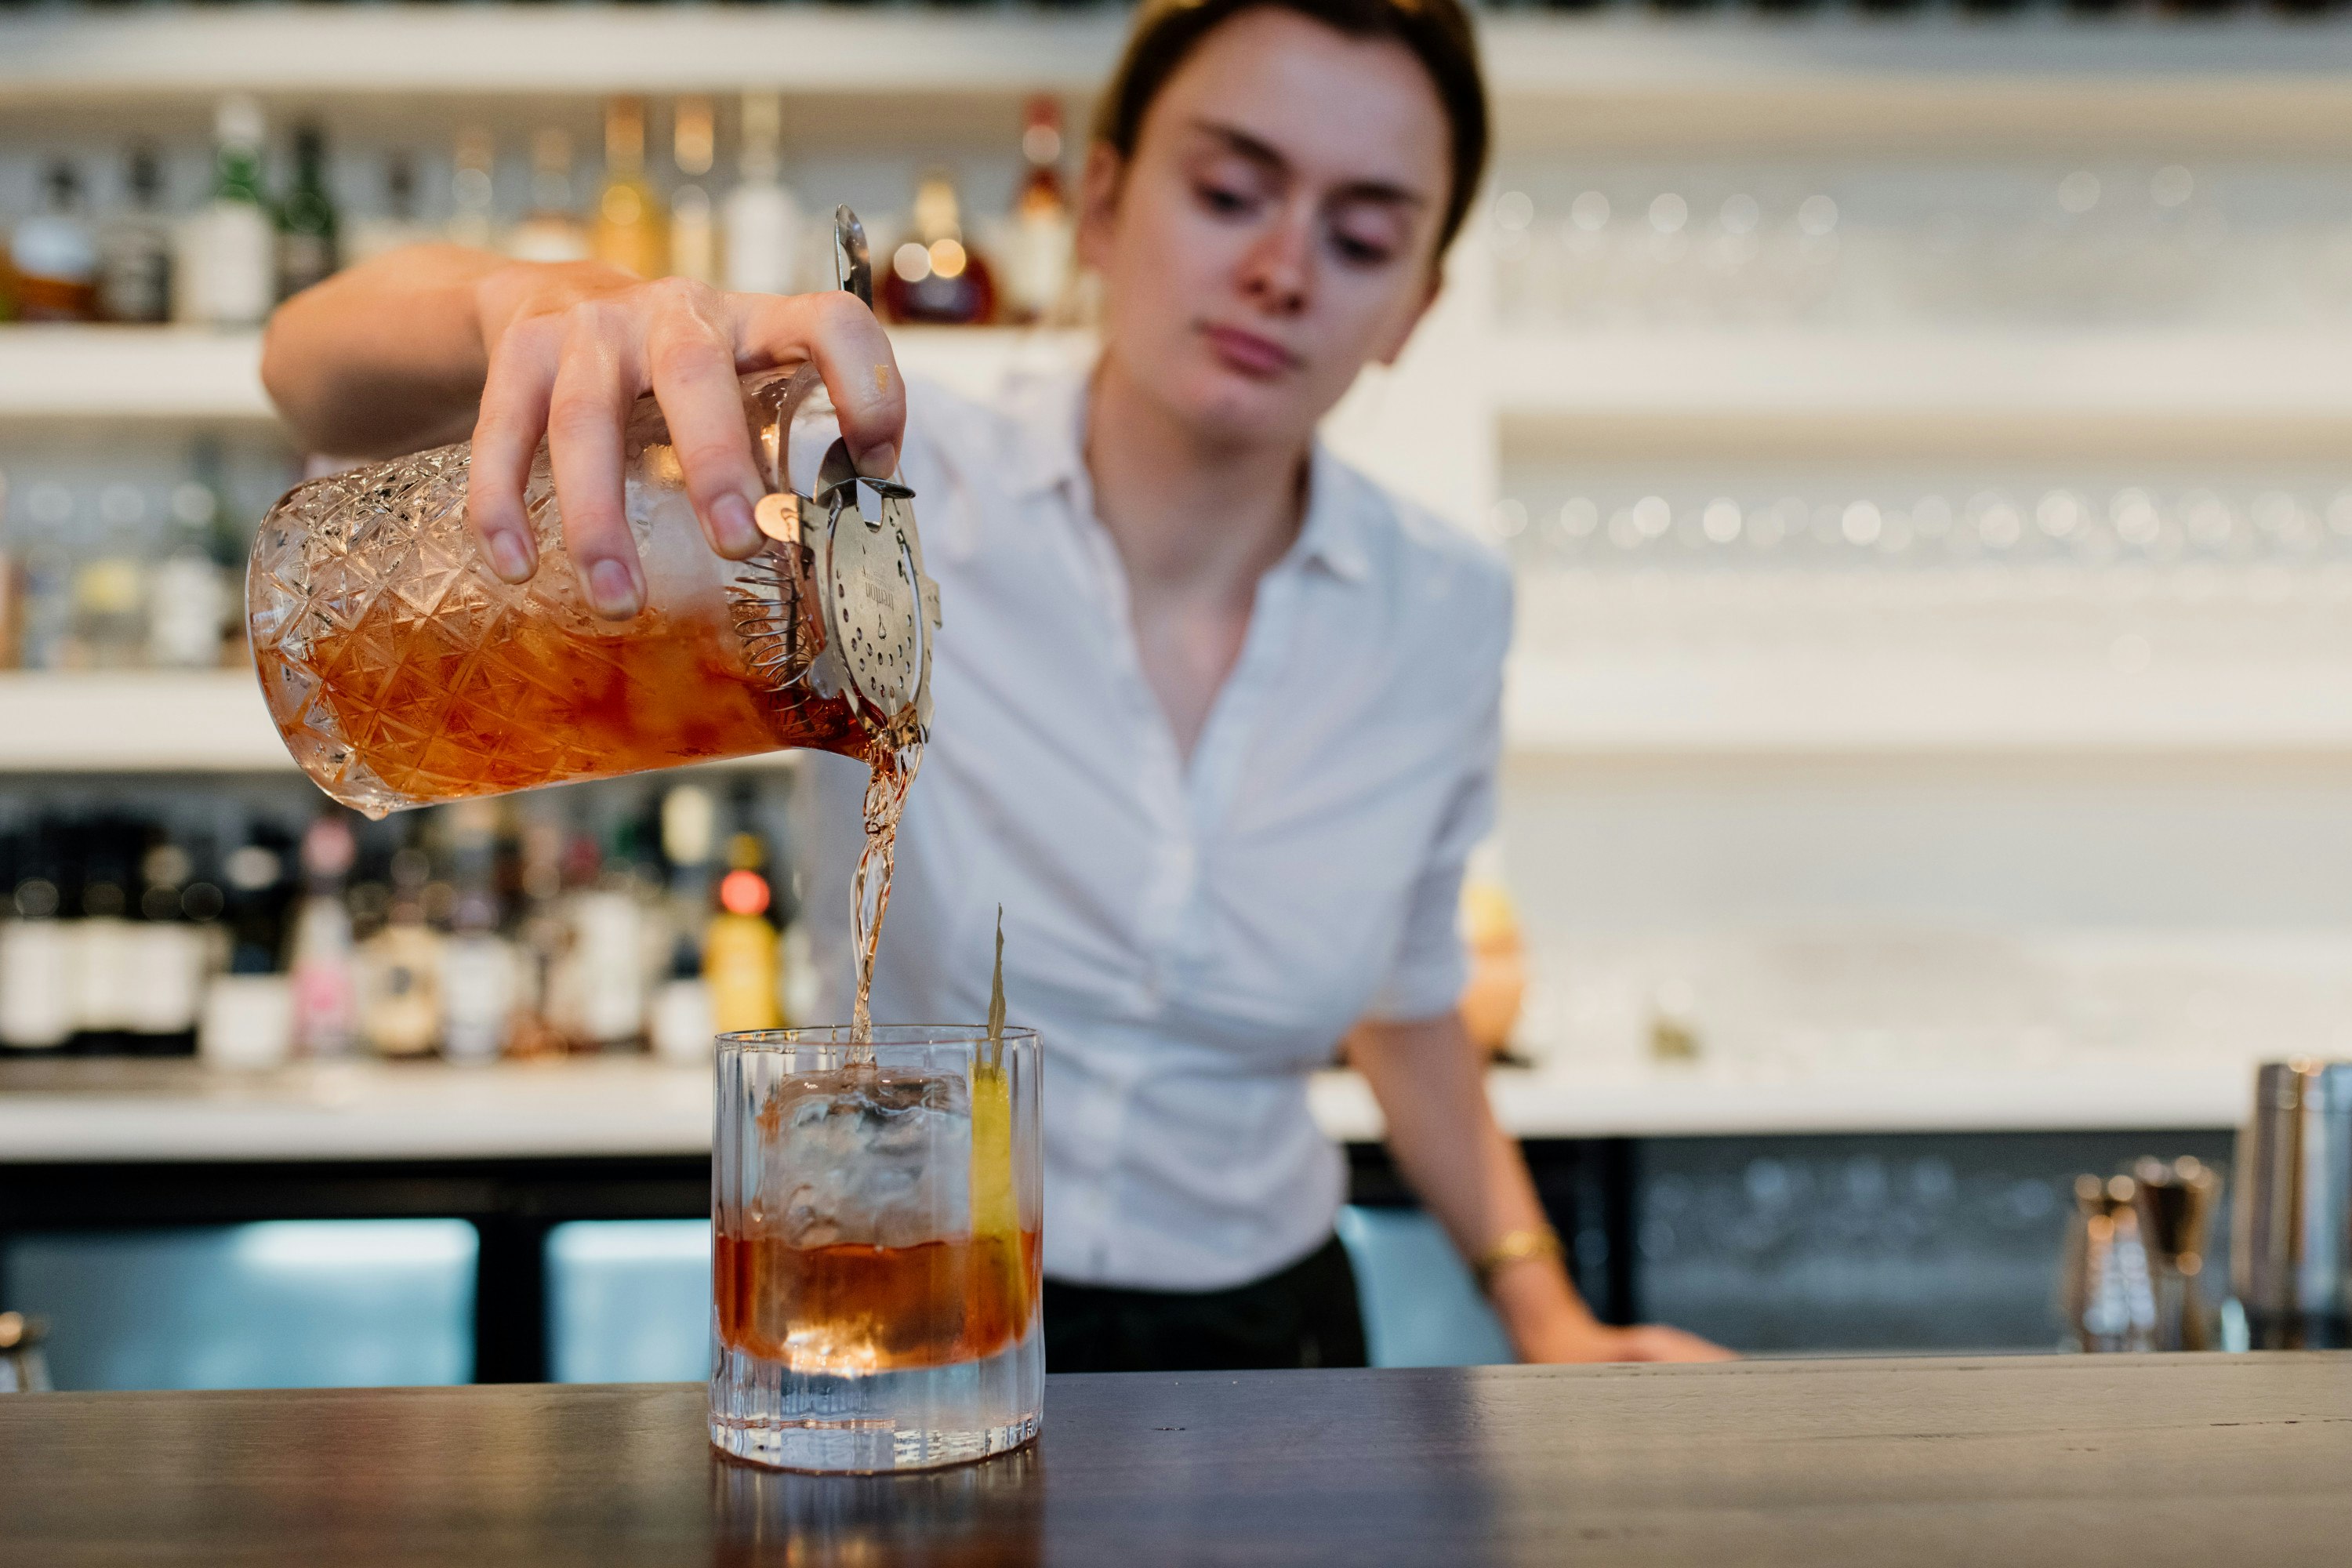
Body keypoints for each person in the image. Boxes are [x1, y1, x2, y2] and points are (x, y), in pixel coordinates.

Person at [262, 0, 1729, 1370]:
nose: (1284, 267)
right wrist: (540, 304)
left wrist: (1553, 1318)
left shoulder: (1440, 608)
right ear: (1100, 207)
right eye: (1230, 193)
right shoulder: (870, 470)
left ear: (1416, 303)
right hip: (898, 1299)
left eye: (1362, 234)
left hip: (1272, 1335)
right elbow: (308, 372)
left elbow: (1410, 1002)